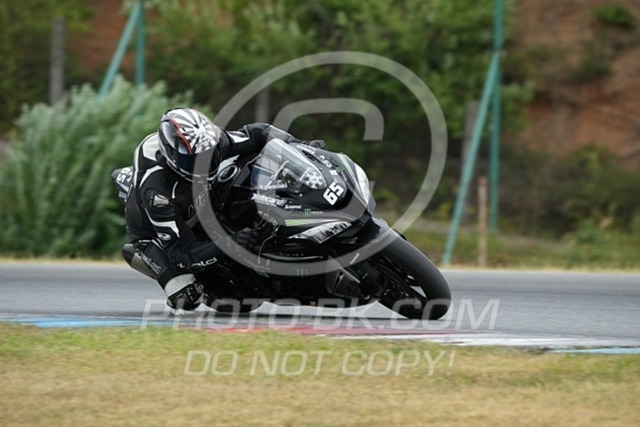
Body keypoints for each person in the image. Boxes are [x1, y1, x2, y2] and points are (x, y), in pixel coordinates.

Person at [123, 107, 325, 311]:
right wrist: (232, 243)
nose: (204, 164)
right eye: (194, 160)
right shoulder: (157, 193)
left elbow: (258, 134)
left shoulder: (210, 141)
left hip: (203, 200)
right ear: (172, 156)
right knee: (186, 297)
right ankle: (150, 259)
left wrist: (300, 146)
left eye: (209, 155)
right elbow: (182, 253)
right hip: (158, 234)